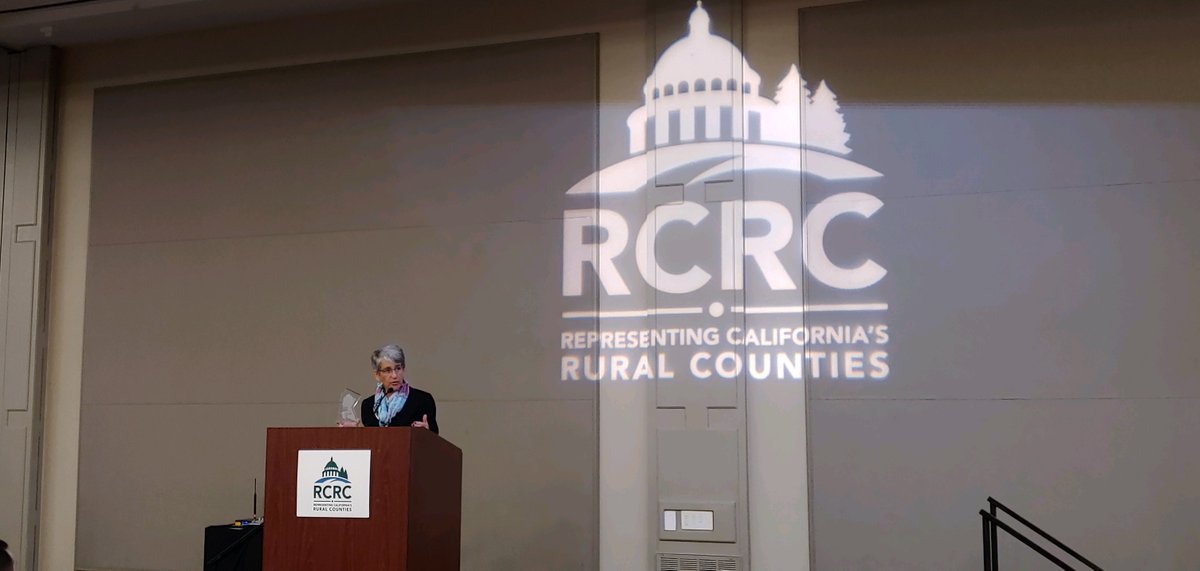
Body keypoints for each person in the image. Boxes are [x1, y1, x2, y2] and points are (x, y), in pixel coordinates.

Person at [359, 344, 438, 433]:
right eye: (388, 370)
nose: (394, 375)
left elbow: (434, 437)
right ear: (377, 375)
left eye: (398, 368)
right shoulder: (368, 405)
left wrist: (428, 432)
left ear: (403, 369)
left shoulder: (423, 400)